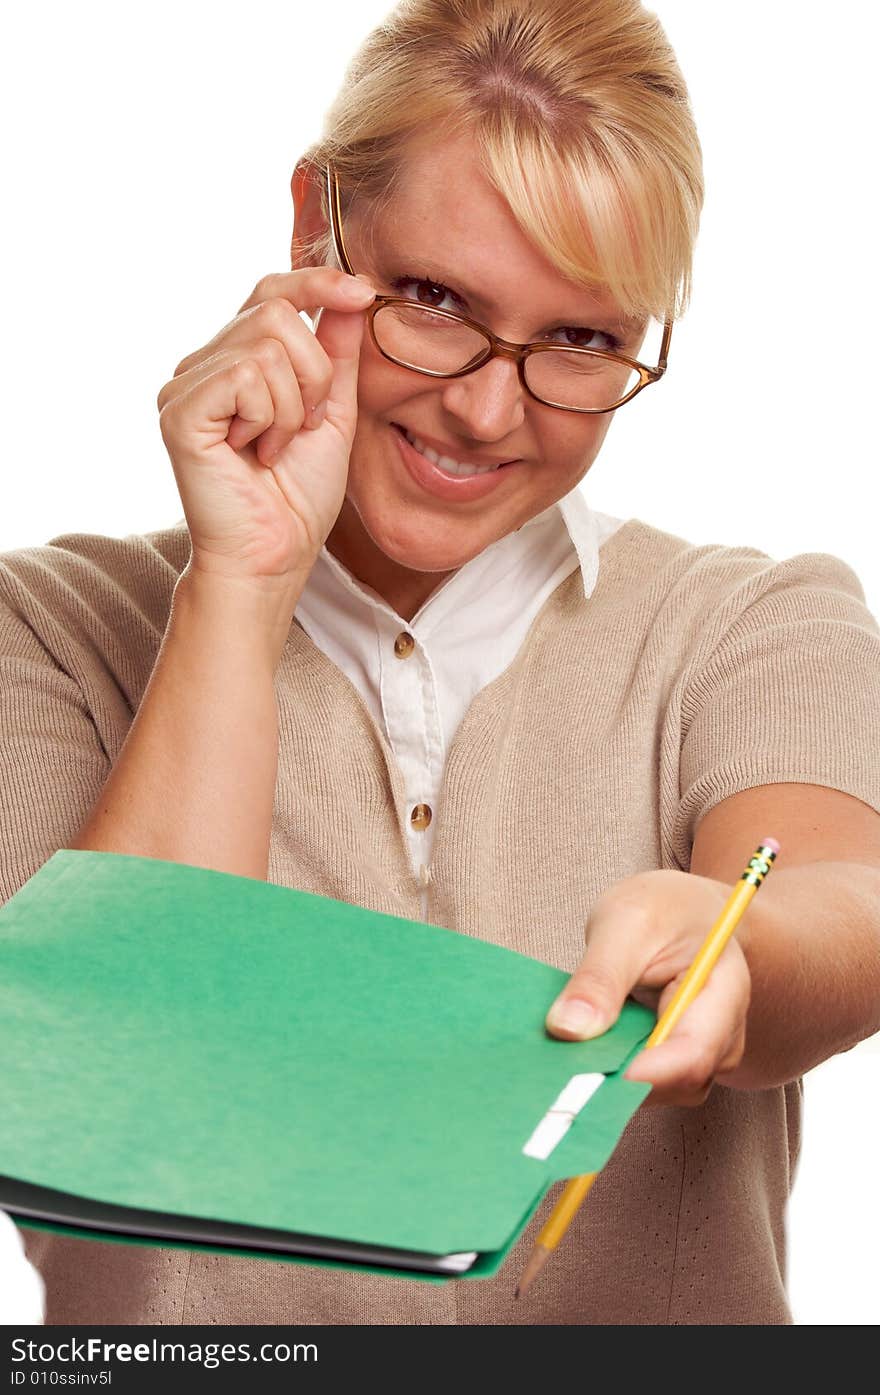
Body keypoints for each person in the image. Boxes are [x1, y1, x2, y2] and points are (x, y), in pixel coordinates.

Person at [2, 0, 879, 1326]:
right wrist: (241, 588)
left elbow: (848, 902)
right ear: (317, 226)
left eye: (581, 339)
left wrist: (742, 951)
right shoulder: (46, 632)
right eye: (432, 300)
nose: (482, 409)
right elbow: (116, 1062)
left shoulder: (746, 622)